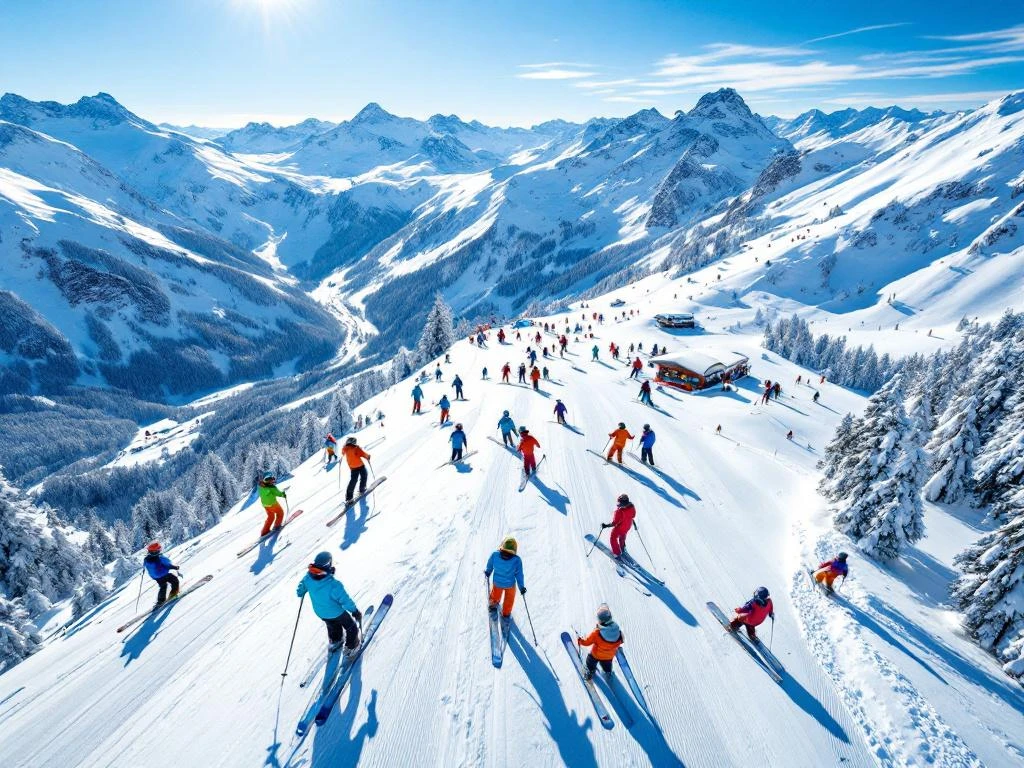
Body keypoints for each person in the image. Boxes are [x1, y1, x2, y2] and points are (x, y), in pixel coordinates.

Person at [297, 552, 362, 659]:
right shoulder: (333, 584)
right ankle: (352, 647)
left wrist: (301, 591)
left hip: (321, 612)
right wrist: (355, 611)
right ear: (328, 565)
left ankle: (335, 640)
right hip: (336, 612)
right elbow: (345, 601)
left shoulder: (308, 578)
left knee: (332, 624)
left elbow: (300, 589)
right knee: (351, 627)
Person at [576, 604, 624, 681]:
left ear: (600, 620)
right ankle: (608, 672)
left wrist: (580, 640)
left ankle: (591, 671)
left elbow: (586, 642)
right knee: (607, 664)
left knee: (590, 661)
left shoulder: (597, 633)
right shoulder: (617, 629)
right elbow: (621, 640)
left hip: (596, 655)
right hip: (609, 656)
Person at [484, 537, 525, 623]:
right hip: (510, 585)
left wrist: (488, 572)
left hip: (498, 583)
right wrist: (521, 587)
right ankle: (506, 613)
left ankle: (493, 604)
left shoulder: (495, 555)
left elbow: (490, 564)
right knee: (509, 600)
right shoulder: (516, 560)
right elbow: (519, 575)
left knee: (496, 594)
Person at [143, 542, 180, 607]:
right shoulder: (160, 558)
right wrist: (175, 567)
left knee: (163, 586)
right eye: (158, 549)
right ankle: (173, 594)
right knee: (175, 580)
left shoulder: (146, 559)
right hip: (163, 574)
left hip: (155, 577)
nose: (160, 550)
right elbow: (168, 565)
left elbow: (145, 566)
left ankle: (161, 600)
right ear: (155, 551)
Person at [341, 437, 371, 504]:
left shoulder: (345, 448)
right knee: (364, 475)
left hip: (352, 467)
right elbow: (363, 454)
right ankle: (362, 489)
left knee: (353, 480)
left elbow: (342, 453)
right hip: (360, 465)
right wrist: (368, 456)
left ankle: (349, 497)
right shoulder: (356, 448)